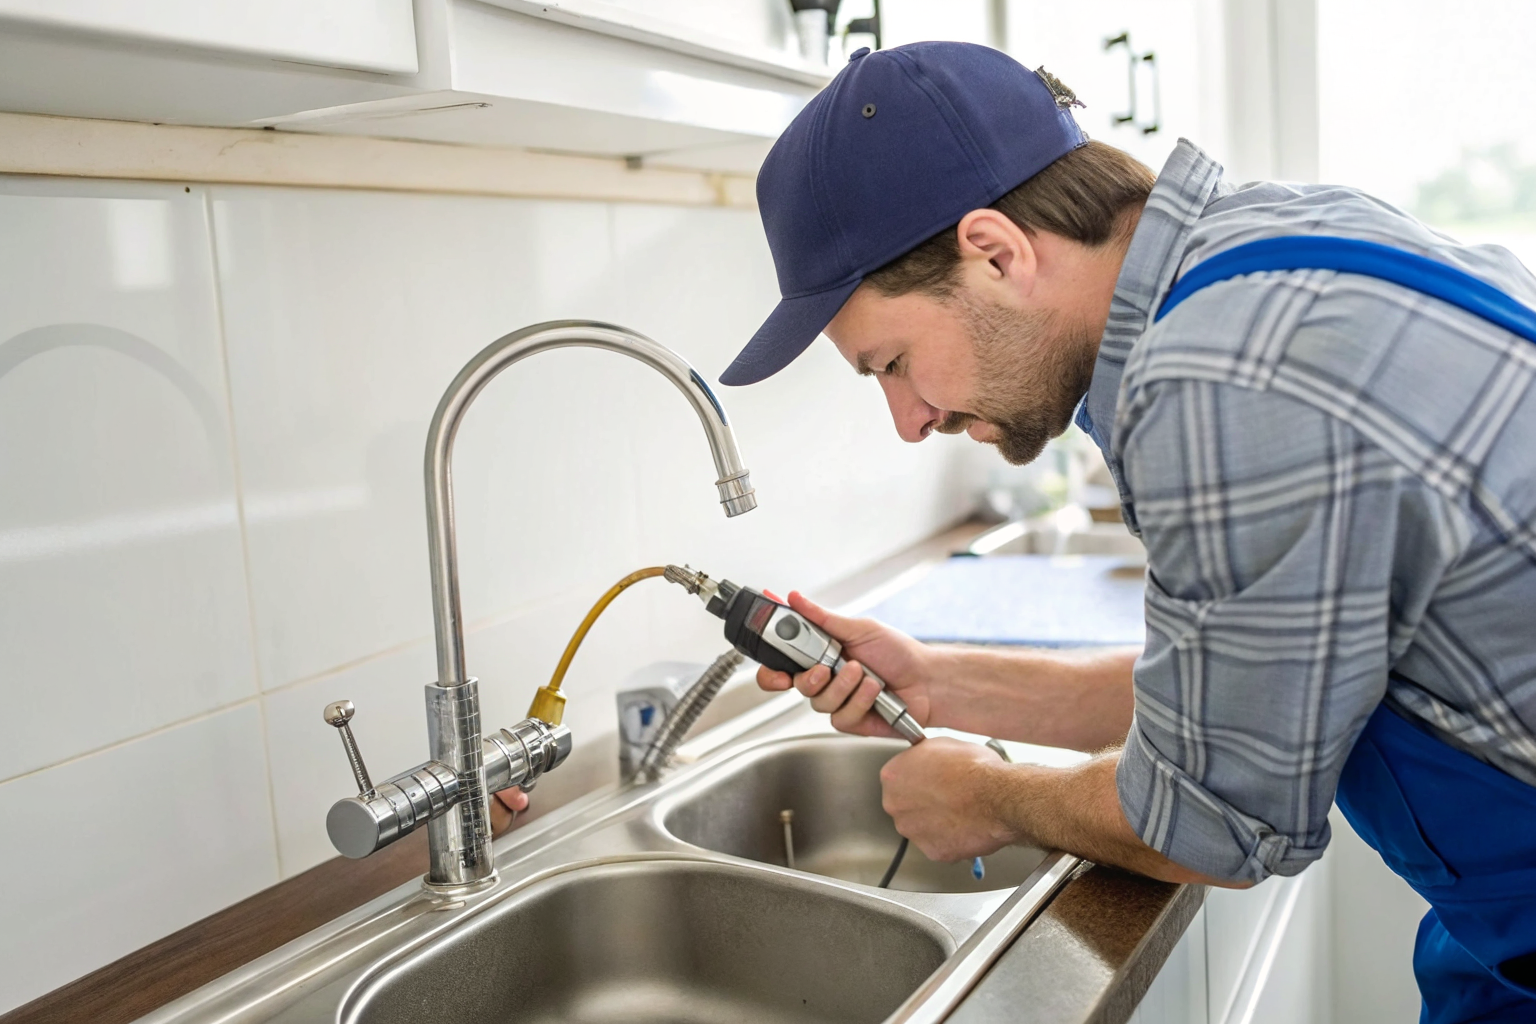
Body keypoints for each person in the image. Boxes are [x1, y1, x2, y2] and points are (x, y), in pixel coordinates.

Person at [721, 41, 1536, 1023]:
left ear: (995, 251)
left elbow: (1213, 824)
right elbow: (1245, 689)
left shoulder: (1220, 378)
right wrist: (939, 681)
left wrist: (991, 795)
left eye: (891, 362)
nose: (909, 418)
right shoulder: (1259, 253)